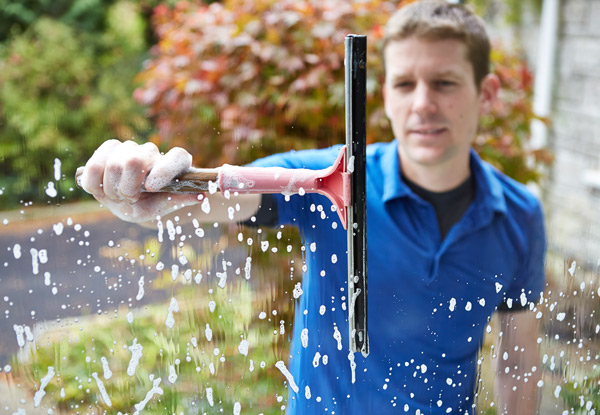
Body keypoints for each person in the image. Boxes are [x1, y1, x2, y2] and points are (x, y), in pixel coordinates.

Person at [78, 1, 546, 414]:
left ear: (486, 94)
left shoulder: (520, 215)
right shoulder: (320, 178)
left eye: (444, 82)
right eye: (404, 84)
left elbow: (519, 362)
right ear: (385, 95)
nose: (422, 104)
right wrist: (153, 186)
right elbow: (233, 197)